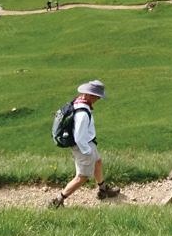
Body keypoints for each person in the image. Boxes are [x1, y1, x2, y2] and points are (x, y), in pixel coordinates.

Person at [48, 80, 119, 208]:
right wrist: (87, 151)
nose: (98, 98)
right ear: (90, 95)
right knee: (82, 177)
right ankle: (57, 201)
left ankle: (103, 190)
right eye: (97, 96)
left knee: (98, 162)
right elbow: (79, 137)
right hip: (83, 146)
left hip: (88, 142)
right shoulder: (82, 114)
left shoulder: (78, 102)